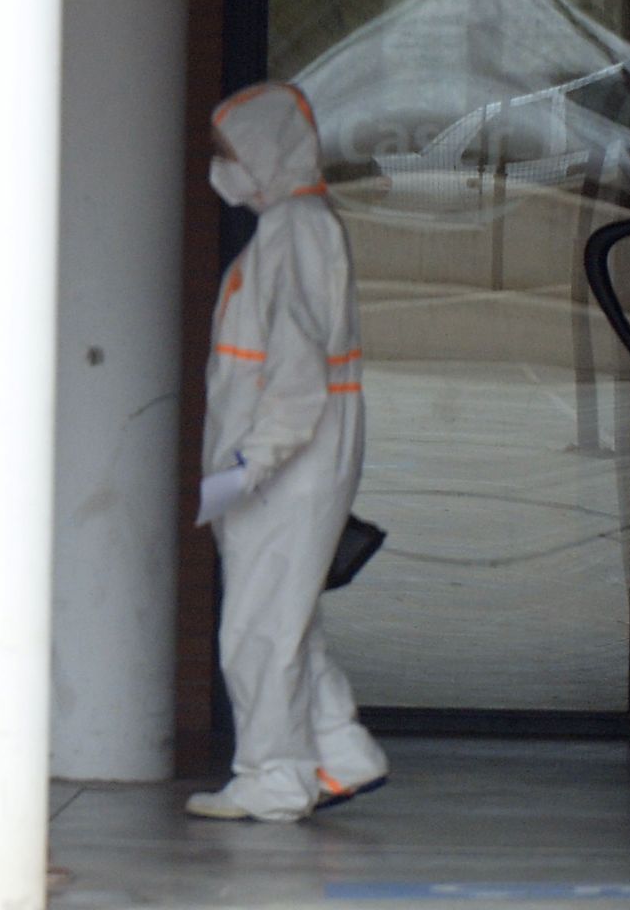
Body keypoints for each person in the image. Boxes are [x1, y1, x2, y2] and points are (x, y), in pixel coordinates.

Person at [187, 81, 388, 822]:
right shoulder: (298, 225)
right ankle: (338, 750)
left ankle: (273, 775)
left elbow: (295, 377)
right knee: (288, 616)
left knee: (259, 628)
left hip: (283, 464)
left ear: (268, 152)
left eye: (232, 152)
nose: (223, 166)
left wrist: (251, 466)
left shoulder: (293, 231)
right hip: (292, 459)